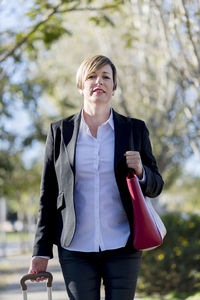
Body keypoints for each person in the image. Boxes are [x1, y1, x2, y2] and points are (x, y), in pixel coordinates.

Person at [29, 55, 164, 300]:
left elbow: (156, 186)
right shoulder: (60, 132)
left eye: (105, 77)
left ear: (114, 86)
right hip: (75, 247)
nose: (98, 81)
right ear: (81, 85)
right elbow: (48, 195)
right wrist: (41, 251)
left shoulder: (134, 129)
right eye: (91, 76)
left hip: (124, 244)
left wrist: (143, 171)